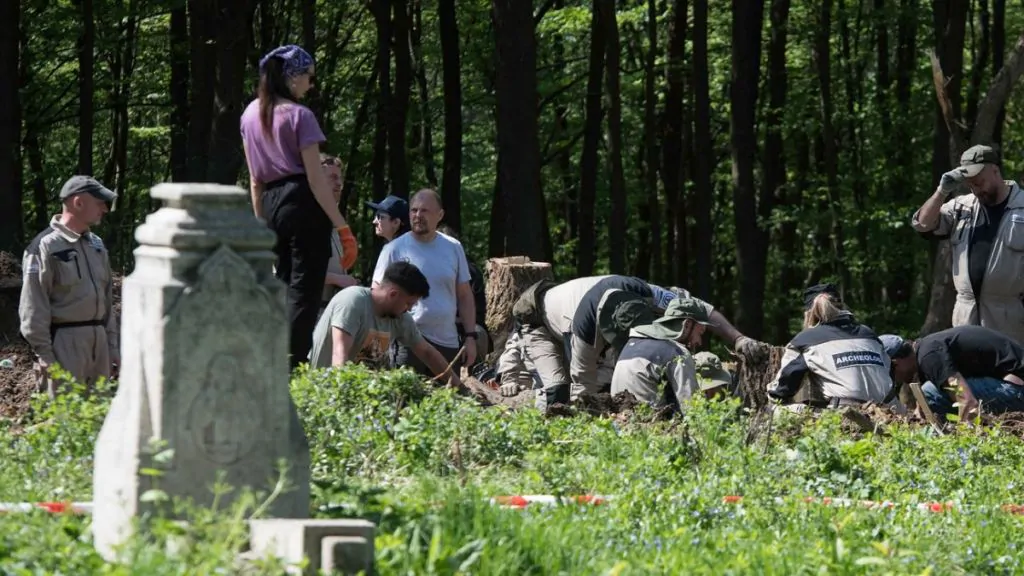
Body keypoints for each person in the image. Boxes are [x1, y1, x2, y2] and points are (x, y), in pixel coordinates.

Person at [240, 44, 358, 370]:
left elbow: (255, 180)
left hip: (270, 204)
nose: (311, 84)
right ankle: (289, 369)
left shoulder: (249, 115)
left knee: (281, 286)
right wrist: (342, 226)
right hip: (302, 202)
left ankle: (267, 360)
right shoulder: (299, 115)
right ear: (293, 76)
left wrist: (261, 226)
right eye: (309, 76)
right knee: (304, 292)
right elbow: (317, 180)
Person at [513, 274, 762, 410]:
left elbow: (700, 309)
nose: (698, 342)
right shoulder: (583, 333)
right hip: (537, 321)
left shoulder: (642, 292)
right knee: (560, 390)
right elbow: (583, 388)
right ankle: (520, 407)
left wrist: (739, 339)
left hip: (576, 306)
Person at [911, 144, 1024, 345]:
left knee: (1010, 365)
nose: (976, 189)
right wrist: (941, 191)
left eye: (979, 182)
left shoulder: (1021, 206)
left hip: (1010, 315)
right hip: (965, 313)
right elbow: (923, 225)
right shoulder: (961, 207)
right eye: (970, 184)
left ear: (995, 170)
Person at [19, 176, 120, 398]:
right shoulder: (45, 246)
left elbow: (107, 301)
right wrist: (45, 355)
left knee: (98, 413)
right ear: (78, 203)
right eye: (99, 202)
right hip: (64, 346)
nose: (105, 209)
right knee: (64, 413)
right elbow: (33, 305)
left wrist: (112, 346)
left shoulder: (97, 245)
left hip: (99, 345)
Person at [372, 189, 477, 376]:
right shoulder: (394, 249)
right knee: (406, 395)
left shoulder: (453, 248)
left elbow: (464, 295)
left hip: (447, 342)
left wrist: (470, 337)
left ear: (440, 215)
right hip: (408, 342)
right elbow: (376, 295)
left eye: (424, 210)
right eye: (414, 210)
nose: (418, 215)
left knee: (447, 394)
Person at [308, 261, 463, 388]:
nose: (409, 309)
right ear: (393, 294)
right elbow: (339, 355)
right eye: (408, 303)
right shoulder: (353, 302)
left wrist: (461, 388)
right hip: (325, 389)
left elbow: (427, 353)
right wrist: (341, 397)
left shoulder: (400, 318)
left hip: (365, 396)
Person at [767, 284, 895, 409]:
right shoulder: (869, 335)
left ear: (809, 313)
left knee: (775, 408)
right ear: (842, 306)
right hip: (888, 410)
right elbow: (889, 371)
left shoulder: (806, 340)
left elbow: (781, 390)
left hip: (847, 412)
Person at [609, 297, 731, 413]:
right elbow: (692, 410)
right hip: (650, 424)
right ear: (687, 325)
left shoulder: (632, 343)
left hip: (619, 420)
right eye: (700, 333)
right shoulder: (678, 353)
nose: (699, 342)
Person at [881, 325, 1024, 421]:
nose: (897, 380)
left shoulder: (929, 357)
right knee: (927, 394)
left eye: (893, 376)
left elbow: (967, 402)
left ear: (896, 363)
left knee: (929, 393)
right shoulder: (927, 349)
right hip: (1011, 386)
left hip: (1016, 390)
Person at [437, 223, 490, 360]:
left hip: (469, 327)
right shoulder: (432, 270)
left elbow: (477, 311)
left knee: (478, 335)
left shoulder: (470, 271)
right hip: (438, 325)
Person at [320, 153, 358, 310]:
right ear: (316, 179)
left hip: (328, 310)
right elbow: (293, 271)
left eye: (340, 178)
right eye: (333, 178)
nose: (339, 184)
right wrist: (339, 279)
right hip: (305, 310)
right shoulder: (303, 220)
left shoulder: (333, 222)